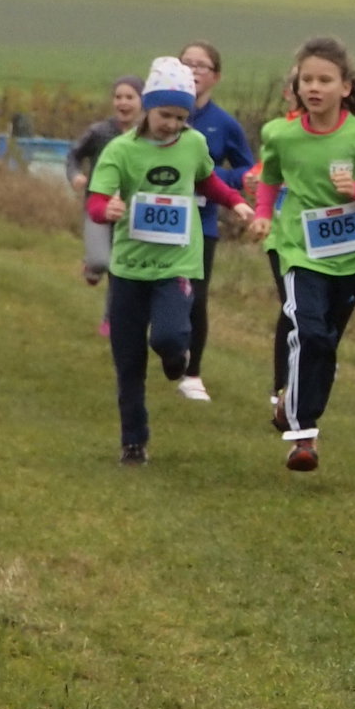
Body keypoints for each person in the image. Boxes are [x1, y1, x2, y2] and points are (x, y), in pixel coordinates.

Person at [245, 37, 355, 474]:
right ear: (297, 86)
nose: (314, 87)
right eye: (307, 80)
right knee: (309, 331)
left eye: (324, 80)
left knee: (326, 341)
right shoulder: (281, 135)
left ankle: (293, 405)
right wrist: (263, 215)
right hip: (298, 249)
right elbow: (270, 178)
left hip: (351, 256)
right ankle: (303, 434)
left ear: (345, 87)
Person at [86, 58, 253, 463]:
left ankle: (178, 358)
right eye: (166, 115)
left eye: (181, 117)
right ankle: (133, 441)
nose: (173, 125)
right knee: (129, 363)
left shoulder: (193, 144)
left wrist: (235, 202)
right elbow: (96, 199)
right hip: (129, 268)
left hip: (177, 263)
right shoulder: (120, 150)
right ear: (148, 107)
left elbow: (207, 180)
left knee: (168, 337)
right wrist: (105, 210)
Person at [176, 41, 255, 405]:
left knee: (197, 296)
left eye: (201, 65)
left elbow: (248, 170)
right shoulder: (159, 115)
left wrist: (215, 177)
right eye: (187, 63)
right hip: (155, 222)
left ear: (216, 76)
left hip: (202, 221)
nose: (193, 71)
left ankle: (192, 374)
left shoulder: (224, 124)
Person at [69, 76, 145, 324]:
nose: (123, 102)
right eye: (118, 97)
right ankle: (91, 265)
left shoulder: (147, 135)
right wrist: (75, 175)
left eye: (129, 97)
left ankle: (110, 320)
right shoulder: (99, 132)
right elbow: (74, 155)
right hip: (97, 205)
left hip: (129, 210)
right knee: (101, 261)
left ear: (142, 101)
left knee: (119, 266)